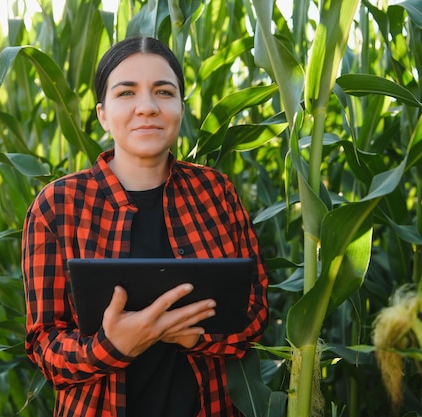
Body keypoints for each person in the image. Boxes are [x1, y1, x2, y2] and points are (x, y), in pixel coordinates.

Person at [21, 36, 269, 417]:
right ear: (103, 113)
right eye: (126, 93)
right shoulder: (57, 206)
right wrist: (112, 345)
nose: (147, 107)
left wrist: (194, 335)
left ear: (180, 108)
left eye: (163, 92)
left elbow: (254, 311)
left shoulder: (216, 193)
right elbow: (44, 345)